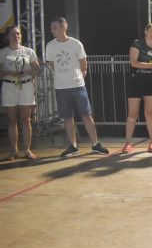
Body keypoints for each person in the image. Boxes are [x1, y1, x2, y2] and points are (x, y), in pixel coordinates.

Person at [45, 17, 109, 157]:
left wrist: (82, 72)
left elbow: (83, 61)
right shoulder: (50, 46)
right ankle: (73, 145)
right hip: (61, 86)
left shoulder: (75, 44)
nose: (52, 30)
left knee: (86, 115)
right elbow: (51, 64)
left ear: (63, 27)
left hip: (77, 85)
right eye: (51, 28)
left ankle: (95, 144)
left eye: (55, 27)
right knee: (67, 117)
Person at [0, 26, 41, 160]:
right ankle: (14, 151)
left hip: (26, 86)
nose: (16, 36)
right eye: (13, 34)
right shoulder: (3, 53)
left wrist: (28, 71)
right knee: (12, 120)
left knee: (25, 119)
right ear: (7, 37)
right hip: (9, 86)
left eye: (18, 34)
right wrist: (10, 73)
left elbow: (37, 70)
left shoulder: (28, 51)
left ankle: (27, 150)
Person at [122, 23, 152, 154]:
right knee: (132, 114)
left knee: (149, 113)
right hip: (135, 82)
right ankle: (127, 143)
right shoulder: (137, 44)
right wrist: (151, 66)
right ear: (146, 31)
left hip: (150, 82)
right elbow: (134, 62)